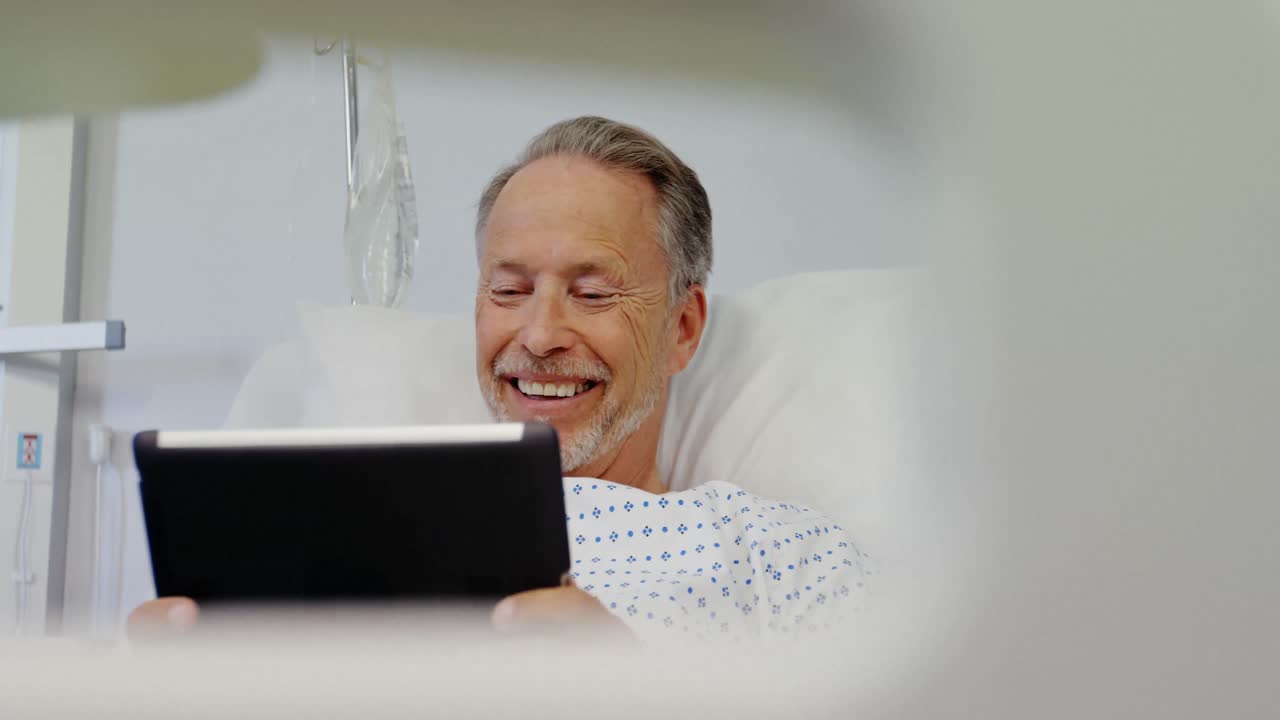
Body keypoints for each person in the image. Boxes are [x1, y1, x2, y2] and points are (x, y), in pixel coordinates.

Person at [132, 116, 869, 642]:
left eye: (593, 292)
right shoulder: (337, 538)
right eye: (509, 292)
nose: (539, 336)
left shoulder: (777, 558)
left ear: (682, 328)